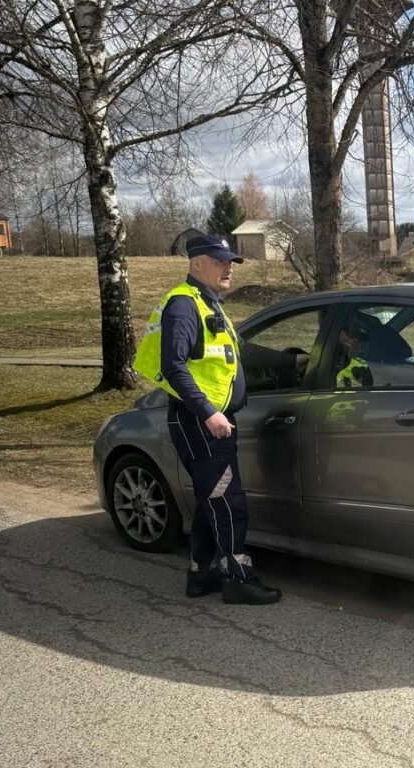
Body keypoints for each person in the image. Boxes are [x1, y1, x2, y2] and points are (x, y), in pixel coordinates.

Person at [133, 234, 283, 604]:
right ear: (197, 263)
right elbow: (173, 365)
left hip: (207, 420)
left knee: (209, 498)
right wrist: (209, 412)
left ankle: (202, 574)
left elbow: (240, 350)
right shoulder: (184, 305)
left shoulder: (206, 303)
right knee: (227, 500)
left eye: (230, 260)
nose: (228, 266)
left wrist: (290, 361)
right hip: (201, 422)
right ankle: (238, 578)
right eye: (220, 260)